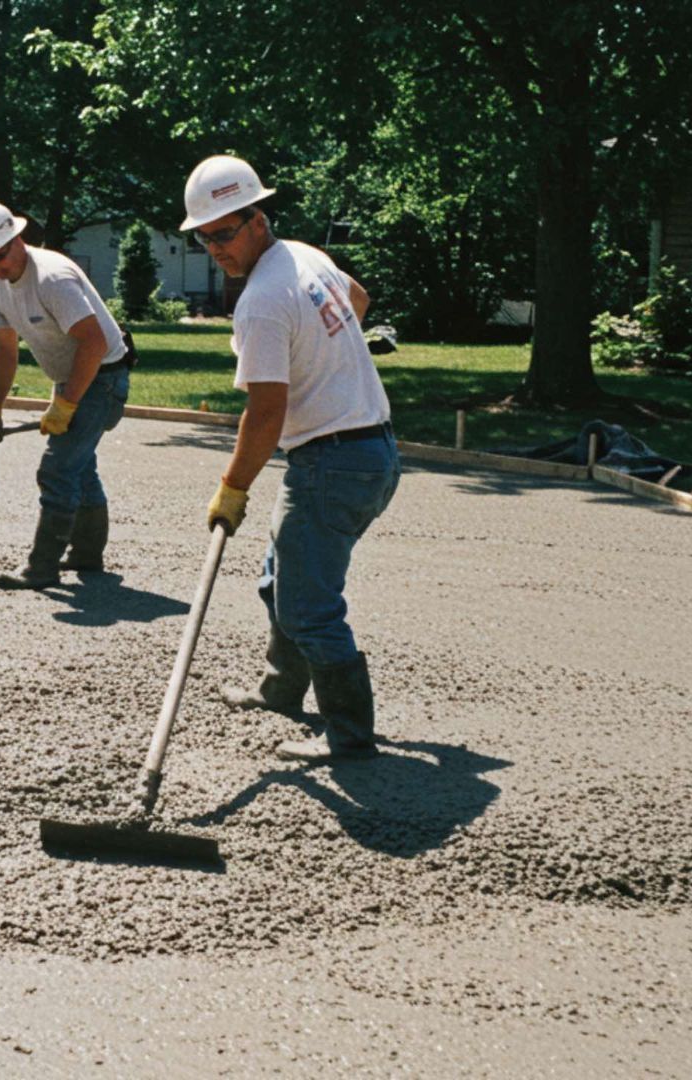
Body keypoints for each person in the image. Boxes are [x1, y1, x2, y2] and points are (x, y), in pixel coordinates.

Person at [184, 155, 398, 761]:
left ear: (258, 217)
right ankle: (281, 691)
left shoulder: (261, 302)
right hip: (365, 448)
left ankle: (350, 736)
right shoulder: (304, 256)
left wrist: (233, 487)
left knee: (309, 605)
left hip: (334, 463)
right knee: (279, 580)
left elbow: (266, 413)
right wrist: (322, 358)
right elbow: (357, 299)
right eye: (205, 237)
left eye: (226, 232)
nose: (216, 247)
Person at [0, 201, 134, 589]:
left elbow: (92, 343)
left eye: (0, 255)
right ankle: (87, 556)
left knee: (57, 469)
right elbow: (3, 350)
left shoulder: (52, 278)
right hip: (72, 378)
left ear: (17, 239)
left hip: (104, 377)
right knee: (79, 467)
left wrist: (67, 403)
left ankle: (40, 569)